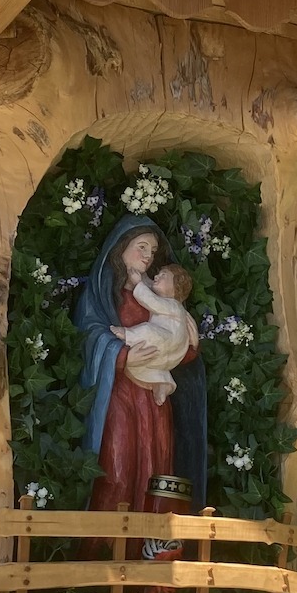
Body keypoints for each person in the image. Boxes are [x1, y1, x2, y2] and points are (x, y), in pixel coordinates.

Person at [76, 216, 208, 517]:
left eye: (153, 250)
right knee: (116, 468)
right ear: (121, 247)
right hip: (117, 395)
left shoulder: (160, 297)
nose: (148, 255)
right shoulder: (102, 294)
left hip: (152, 398)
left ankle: (148, 539)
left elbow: (175, 342)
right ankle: (108, 541)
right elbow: (88, 336)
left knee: (154, 469)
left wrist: (188, 347)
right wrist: (122, 356)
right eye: (142, 246)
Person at [110, 264, 197, 405]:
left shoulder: (173, 305)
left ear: (175, 287)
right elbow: (150, 285)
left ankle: (126, 334)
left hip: (167, 341)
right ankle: (162, 385)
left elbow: (151, 300)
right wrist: (143, 277)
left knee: (146, 330)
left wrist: (138, 283)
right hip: (170, 354)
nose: (156, 276)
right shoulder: (174, 306)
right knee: (154, 366)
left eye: (163, 275)